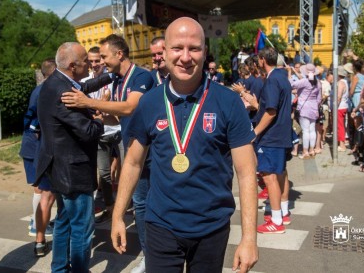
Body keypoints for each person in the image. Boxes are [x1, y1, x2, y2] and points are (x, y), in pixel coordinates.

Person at [110, 17, 258, 273]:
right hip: (161, 226)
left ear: (204, 52)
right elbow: (133, 163)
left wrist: (249, 238)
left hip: (211, 227)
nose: (185, 57)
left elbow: (246, 173)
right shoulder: (149, 103)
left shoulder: (228, 102)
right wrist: (117, 215)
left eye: (194, 48)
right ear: (164, 52)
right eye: (177, 48)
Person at [61, 34, 154, 273]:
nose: (100, 61)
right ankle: (149, 256)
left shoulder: (142, 76)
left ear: (119, 54)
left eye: (103, 56)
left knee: (152, 204)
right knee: (142, 205)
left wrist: (87, 103)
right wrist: (101, 118)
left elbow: (130, 107)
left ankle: (158, 254)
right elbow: (121, 116)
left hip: (150, 153)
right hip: (132, 151)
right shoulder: (117, 79)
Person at [35, 42, 105, 273]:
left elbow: (84, 87)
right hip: (73, 172)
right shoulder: (63, 92)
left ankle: (59, 269)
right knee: (83, 230)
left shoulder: (56, 81)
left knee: (64, 223)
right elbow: (88, 132)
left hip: (59, 169)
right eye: (86, 59)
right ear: (74, 66)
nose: (91, 63)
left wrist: (111, 77)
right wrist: (99, 119)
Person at [81, 46, 122, 224]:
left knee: (128, 170)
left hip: (118, 130)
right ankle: (110, 208)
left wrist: (100, 105)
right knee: (104, 174)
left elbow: (119, 106)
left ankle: (132, 205)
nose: (94, 64)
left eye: (97, 60)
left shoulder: (113, 79)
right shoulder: (85, 81)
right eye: (90, 61)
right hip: (100, 132)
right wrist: (102, 104)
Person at [19, 58, 56, 257]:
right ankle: (37, 228)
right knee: (43, 191)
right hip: (37, 148)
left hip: (35, 146)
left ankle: (38, 228)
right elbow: (33, 121)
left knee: (42, 191)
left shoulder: (41, 89)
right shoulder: (45, 91)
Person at [254, 46, 292, 234]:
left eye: (258, 60)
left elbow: (271, 111)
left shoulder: (272, 80)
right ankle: (282, 213)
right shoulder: (282, 77)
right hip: (281, 134)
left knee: (270, 178)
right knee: (280, 173)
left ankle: (276, 221)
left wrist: (255, 132)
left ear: (262, 60)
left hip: (271, 136)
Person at [290, 63, 322, 159]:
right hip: (314, 108)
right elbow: (319, 99)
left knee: (305, 131)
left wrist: (289, 74)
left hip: (304, 108)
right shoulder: (318, 83)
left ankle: (305, 152)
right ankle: (312, 150)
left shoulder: (304, 81)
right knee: (312, 130)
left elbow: (292, 84)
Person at [336, 66, 350, 151]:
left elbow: (339, 96)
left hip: (340, 107)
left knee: (340, 126)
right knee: (342, 125)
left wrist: (335, 105)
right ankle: (342, 142)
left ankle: (342, 144)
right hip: (344, 106)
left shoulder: (340, 83)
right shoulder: (345, 81)